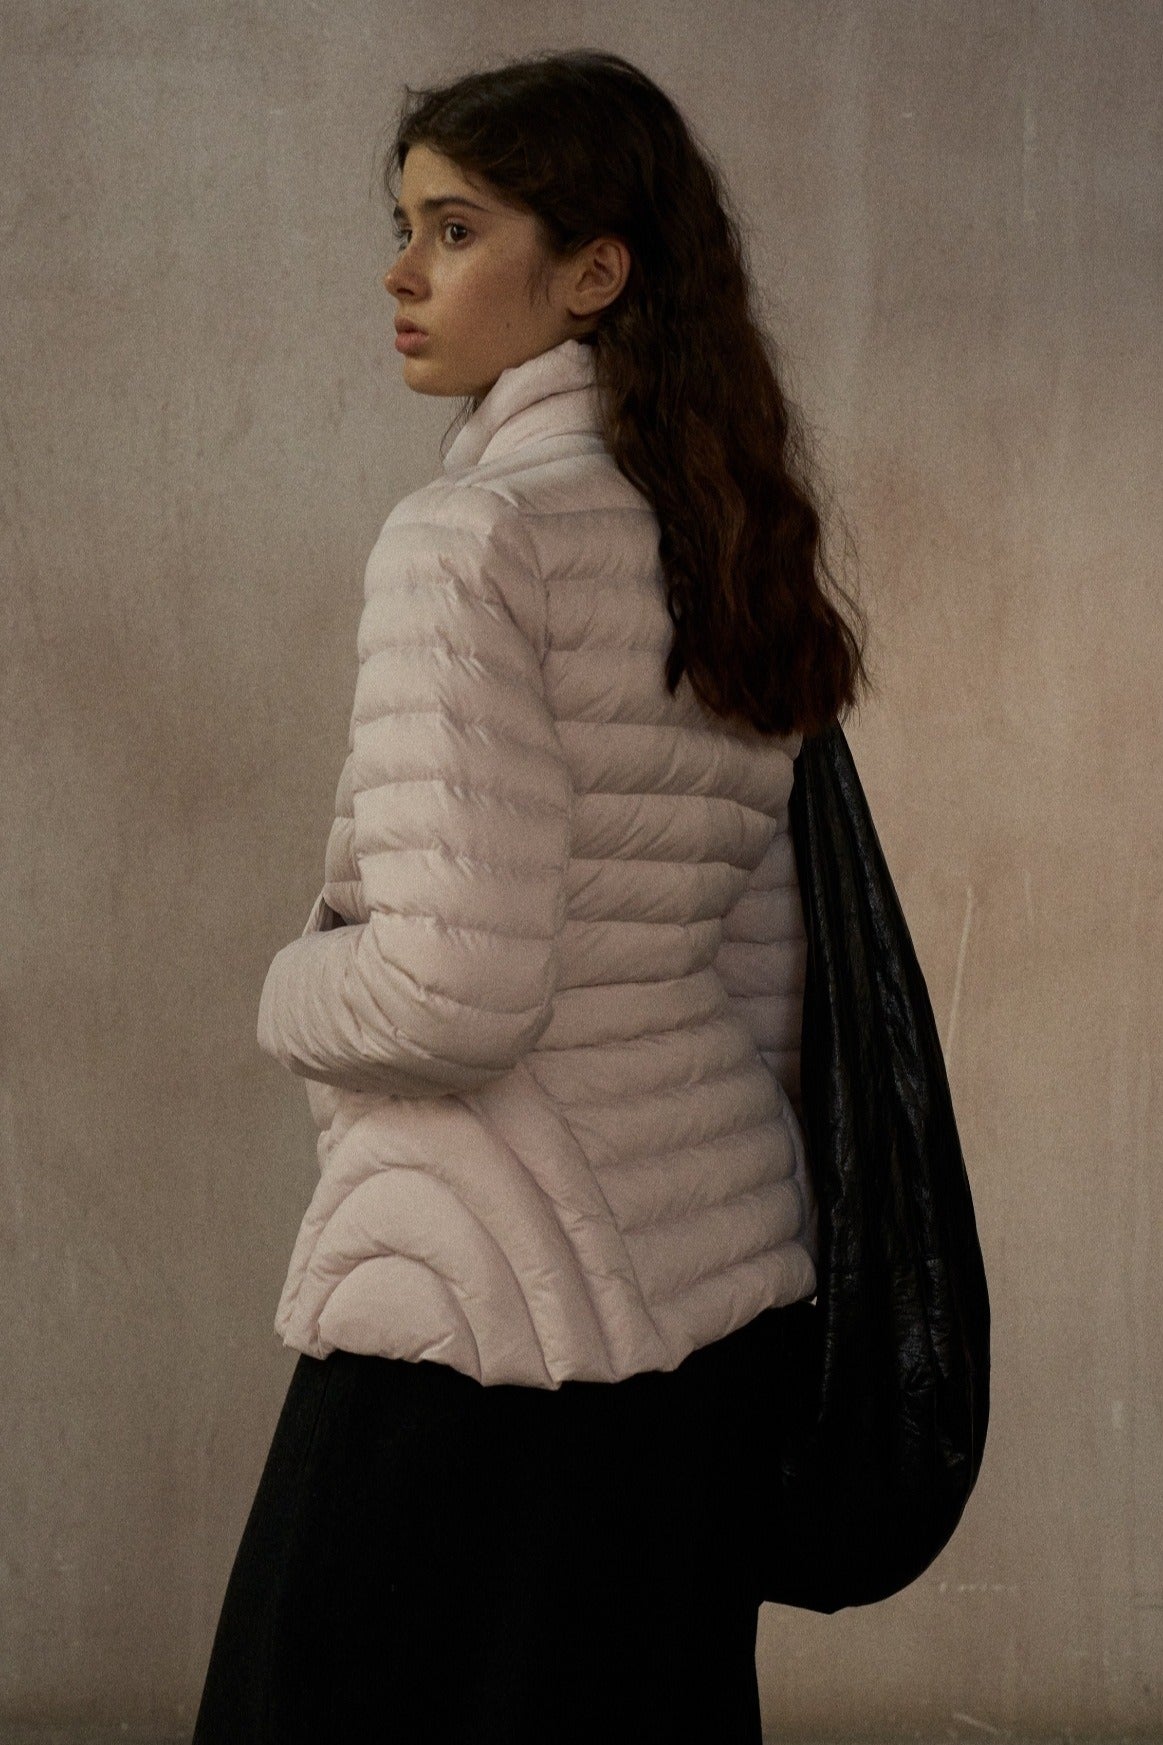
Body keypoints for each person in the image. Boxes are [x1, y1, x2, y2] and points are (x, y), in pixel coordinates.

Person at [193, 47, 866, 1745]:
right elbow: (769, 969)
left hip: (482, 1290)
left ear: (593, 272)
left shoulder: (468, 539)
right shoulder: (722, 535)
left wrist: (287, 983)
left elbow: (451, 995)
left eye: (454, 228)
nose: (400, 274)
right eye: (402, 226)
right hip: (711, 1273)